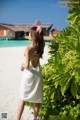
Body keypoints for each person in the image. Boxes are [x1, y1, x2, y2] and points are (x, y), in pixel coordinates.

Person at [17, 26, 45, 120]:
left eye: (29, 33)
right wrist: (39, 31)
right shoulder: (40, 46)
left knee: (23, 98)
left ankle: (18, 119)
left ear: (32, 37)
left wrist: (21, 65)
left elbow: (27, 65)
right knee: (37, 100)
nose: (28, 35)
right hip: (38, 75)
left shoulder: (28, 48)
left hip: (29, 74)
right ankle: (35, 118)